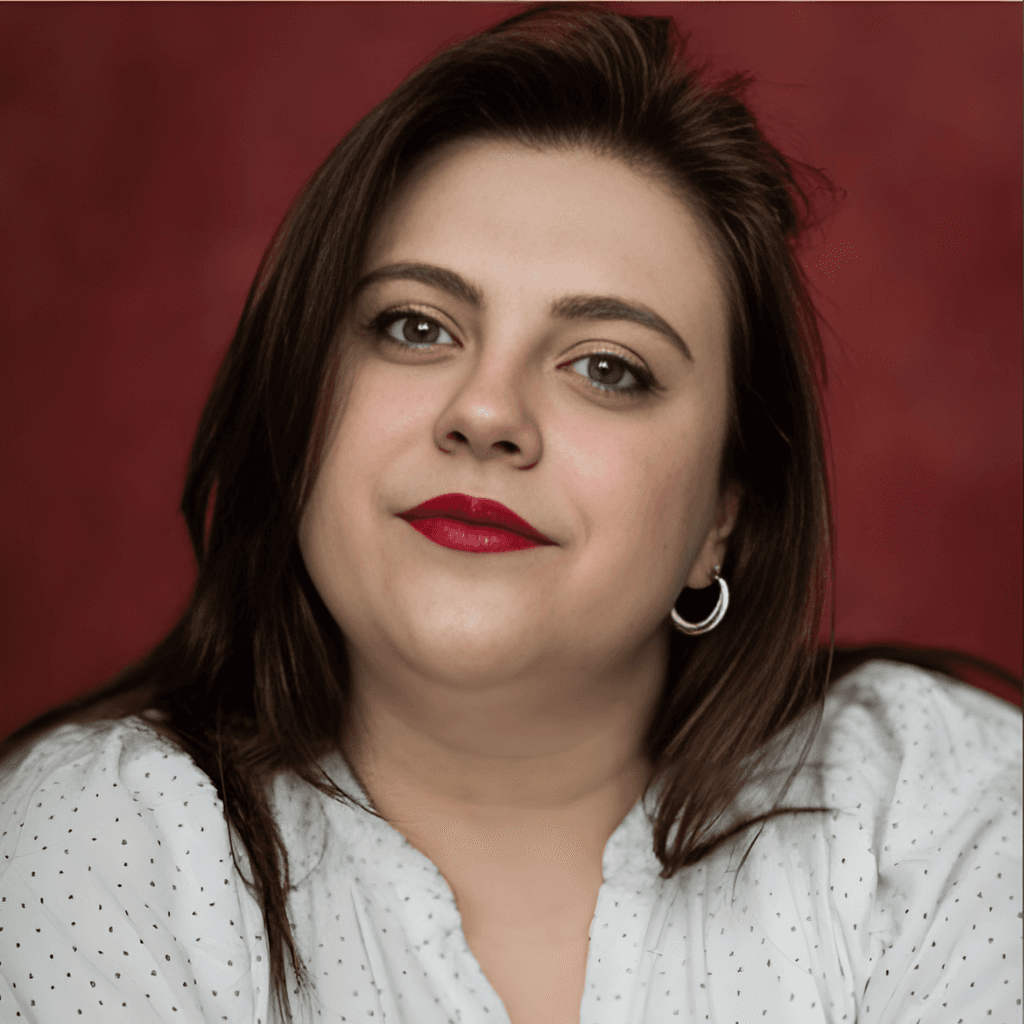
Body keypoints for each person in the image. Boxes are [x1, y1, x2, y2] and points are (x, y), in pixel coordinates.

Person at [0, 5, 1020, 1023]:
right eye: (415, 326)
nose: (485, 413)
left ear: (721, 515)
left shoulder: (933, 806)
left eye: (607, 367)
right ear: (298, 406)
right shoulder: (110, 839)